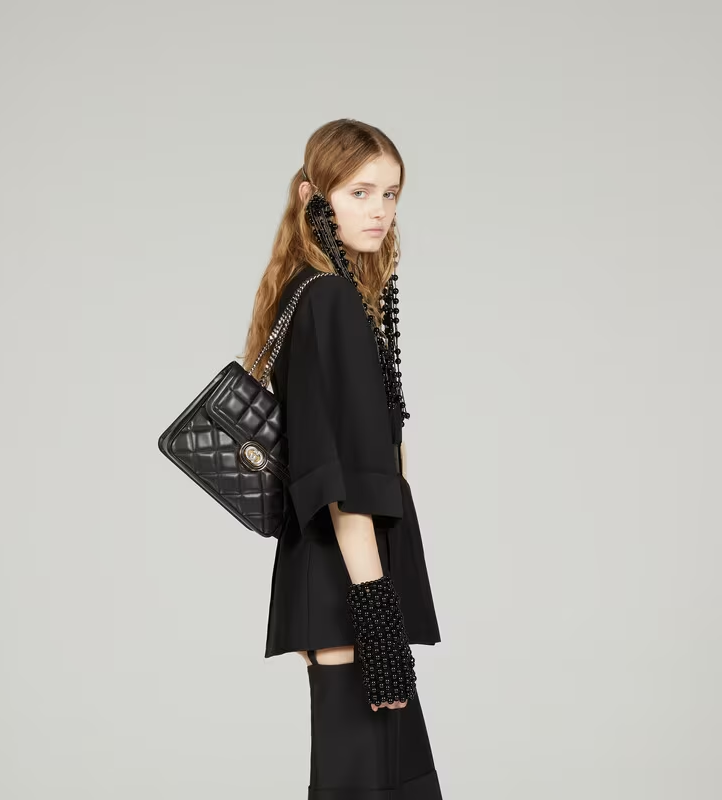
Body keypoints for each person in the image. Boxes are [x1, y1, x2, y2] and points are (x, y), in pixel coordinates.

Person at [241, 119, 443, 799]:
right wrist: (375, 609)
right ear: (313, 196)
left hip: (340, 581)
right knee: (370, 784)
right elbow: (343, 475)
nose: (379, 210)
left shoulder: (315, 293)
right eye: (360, 192)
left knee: (381, 782)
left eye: (390, 194)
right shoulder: (329, 300)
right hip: (351, 583)